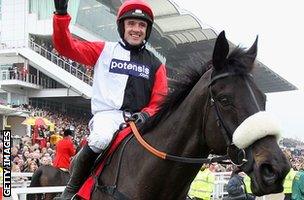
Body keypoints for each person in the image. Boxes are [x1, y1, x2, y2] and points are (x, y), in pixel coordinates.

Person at [52, 0, 168, 199]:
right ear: (122, 26)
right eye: (131, 23)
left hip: (140, 120)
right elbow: (66, 47)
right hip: (108, 117)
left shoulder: (156, 64)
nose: (136, 29)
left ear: (147, 30)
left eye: (142, 25)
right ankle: (71, 190)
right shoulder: (103, 50)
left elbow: (160, 101)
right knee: (101, 138)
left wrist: (147, 114)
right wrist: (61, 15)